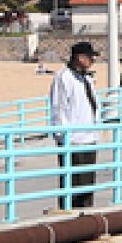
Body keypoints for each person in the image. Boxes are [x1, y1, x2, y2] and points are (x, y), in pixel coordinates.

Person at [49, 40, 100, 210]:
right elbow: (59, 108)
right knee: (72, 183)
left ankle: (85, 215)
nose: (92, 61)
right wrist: (63, 138)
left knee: (87, 184)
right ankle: (69, 216)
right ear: (79, 58)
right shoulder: (63, 77)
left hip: (89, 138)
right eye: (90, 58)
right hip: (73, 139)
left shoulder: (86, 78)